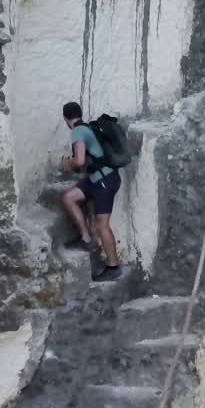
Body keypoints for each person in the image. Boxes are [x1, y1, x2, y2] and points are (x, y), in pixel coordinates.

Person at [59, 101, 123, 282]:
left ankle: (113, 266)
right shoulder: (86, 127)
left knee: (102, 225)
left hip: (104, 181)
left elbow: (79, 161)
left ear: (65, 118)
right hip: (98, 179)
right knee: (69, 198)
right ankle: (86, 239)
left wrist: (66, 164)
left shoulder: (78, 131)